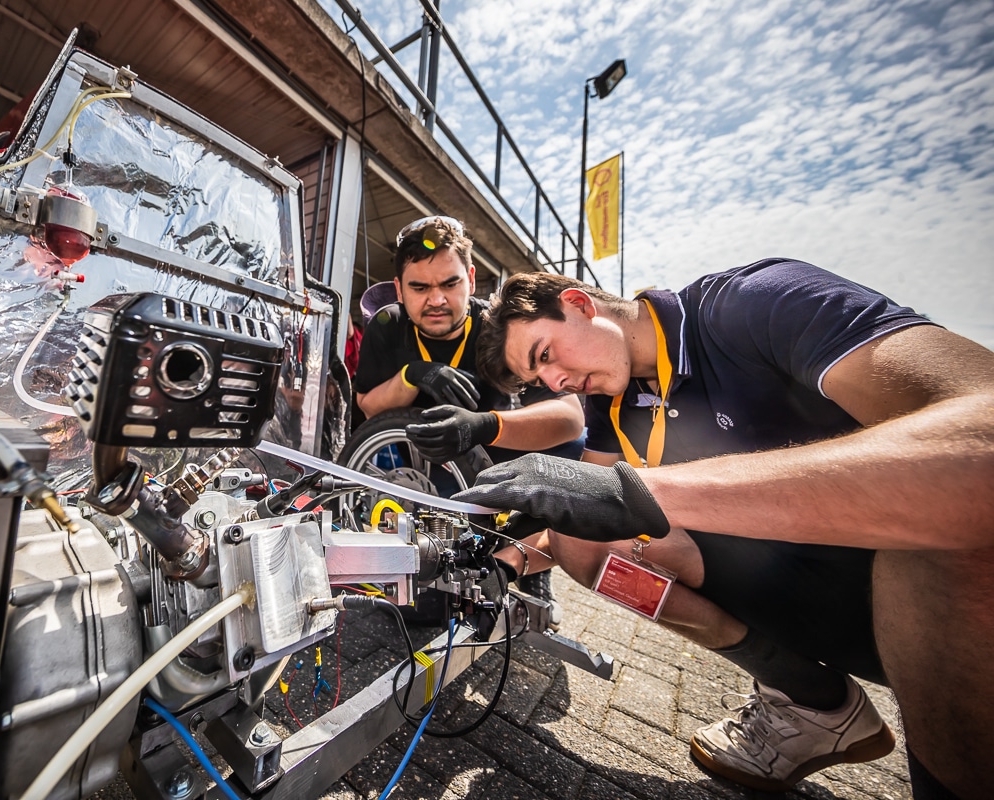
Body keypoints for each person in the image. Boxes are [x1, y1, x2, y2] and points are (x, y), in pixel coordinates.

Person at [454, 259, 993, 799]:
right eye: (539, 381)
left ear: (578, 303)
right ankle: (808, 699)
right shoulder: (609, 401)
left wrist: (645, 494)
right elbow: (587, 517)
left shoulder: (755, 302)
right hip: (807, 588)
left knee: (951, 534)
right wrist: (504, 560)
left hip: (923, 595)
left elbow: (983, 436)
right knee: (582, 540)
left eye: (545, 355)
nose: (556, 382)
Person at [351, 215, 585, 616]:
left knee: (574, 452)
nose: (436, 300)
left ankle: (527, 562)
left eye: (450, 284)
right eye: (420, 288)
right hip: (421, 463)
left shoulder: (499, 326)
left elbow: (571, 419)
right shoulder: (387, 324)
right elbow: (368, 405)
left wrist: (485, 425)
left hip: (496, 456)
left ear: (471, 279)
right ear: (399, 289)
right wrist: (412, 375)